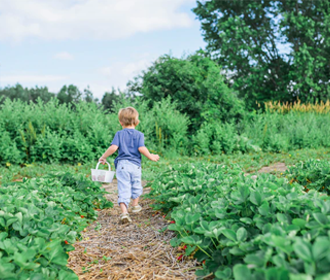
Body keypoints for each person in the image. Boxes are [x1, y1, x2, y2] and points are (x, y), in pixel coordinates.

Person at [99, 107, 160, 223]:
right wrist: (151, 156)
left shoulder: (119, 134)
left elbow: (113, 148)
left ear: (120, 122)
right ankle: (135, 205)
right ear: (137, 122)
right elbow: (141, 148)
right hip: (135, 166)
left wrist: (104, 156)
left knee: (123, 188)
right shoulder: (139, 134)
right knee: (137, 184)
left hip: (122, 165)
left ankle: (124, 213)